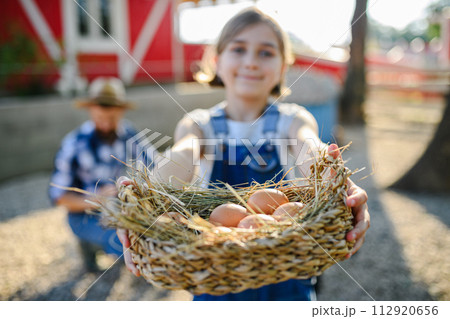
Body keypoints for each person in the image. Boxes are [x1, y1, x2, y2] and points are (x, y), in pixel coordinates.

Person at [118, 7, 370, 300]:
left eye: (266, 53)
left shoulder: (292, 120)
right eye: (239, 49)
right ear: (217, 61)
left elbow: (309, 148)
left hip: (285, 265)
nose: (251, 62)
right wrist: (147, 192)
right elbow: (183, 154)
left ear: (282, 68)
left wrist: (336, 181)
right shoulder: (199, 125)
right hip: (216, 269)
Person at [49, 77, 143, 272]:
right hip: (83, 214)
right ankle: (92, 244)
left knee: (136, 233)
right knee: (121, 241)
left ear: (122, 112)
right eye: (100, 119)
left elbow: (154, 162)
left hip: (115, 209)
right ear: (90, 111)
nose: (107, 126)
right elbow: (59, 197)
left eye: (113, 119)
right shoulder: (73, 144)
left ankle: (103, 248)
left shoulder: (129, 134)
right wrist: (96, 199)